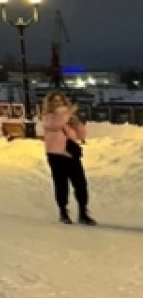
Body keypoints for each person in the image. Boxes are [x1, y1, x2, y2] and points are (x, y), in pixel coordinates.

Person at [41, 90, 95, 225]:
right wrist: (68, 113)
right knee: (61, 184)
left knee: (80, 184)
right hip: (56, 155)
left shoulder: (68, 116)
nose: (57, 103)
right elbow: (55, 125)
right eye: (54, 100)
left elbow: (81, 135)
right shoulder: (48, 117)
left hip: (71, 154)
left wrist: (77, 123)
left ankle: (83, 212)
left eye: (59, 100)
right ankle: (63, 211)